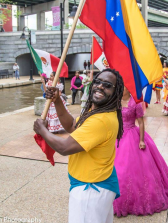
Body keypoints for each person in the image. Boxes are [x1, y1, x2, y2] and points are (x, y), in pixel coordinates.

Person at [33, 69, 124, 223]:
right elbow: (72, 126)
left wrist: (42, 129)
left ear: (116, 92)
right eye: (98, 82)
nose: (100, 86)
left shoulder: (100, 120)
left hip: (90, 190)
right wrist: (57, 101)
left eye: (107, 85)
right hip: (97, 182)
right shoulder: (96, 110)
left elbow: (64, 147)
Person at [113, 87, 168, 216]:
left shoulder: (135, 102)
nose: (122, 89)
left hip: (131, 134)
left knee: (133, 167)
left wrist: (141, 140)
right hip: (117, 135)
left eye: (124, 87)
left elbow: (141, 123)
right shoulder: (116, 101)